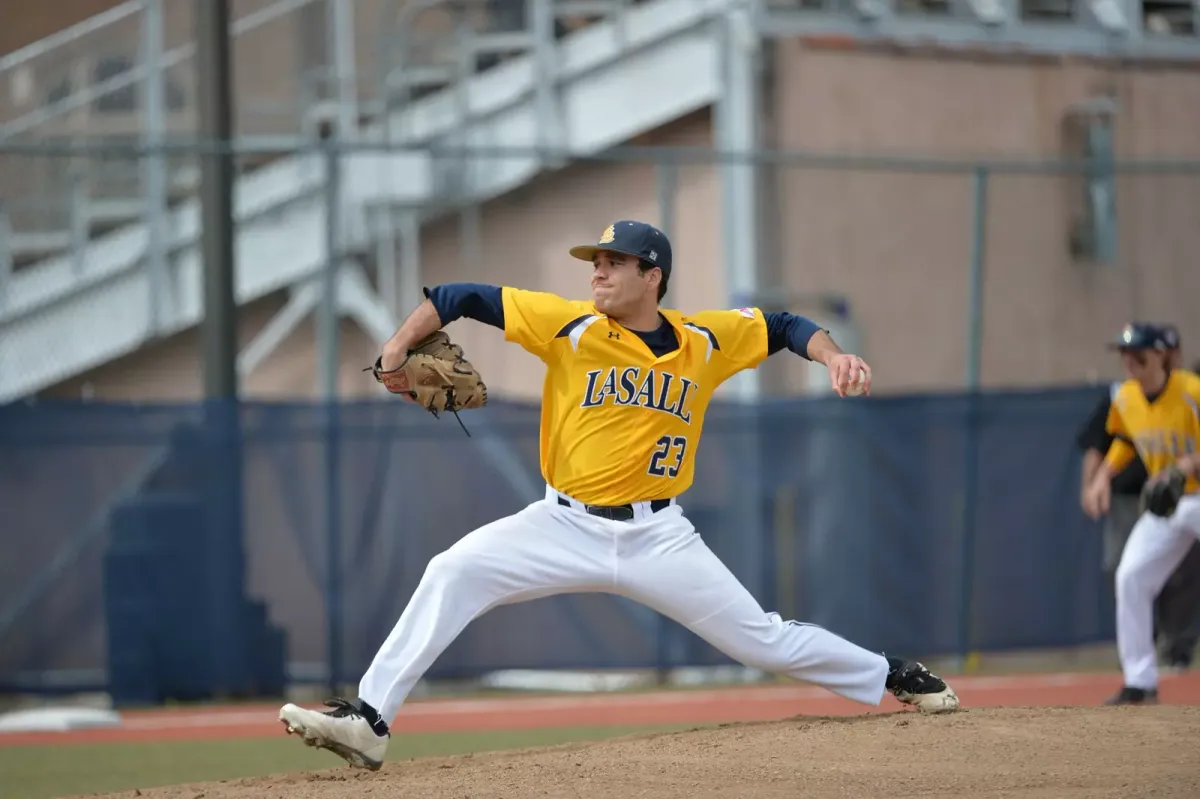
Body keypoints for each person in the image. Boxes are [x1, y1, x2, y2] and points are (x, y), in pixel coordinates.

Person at [278, 220, 960, 769]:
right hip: (559, 523)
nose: (597, 272)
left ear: (651, 275)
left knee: (764, 641)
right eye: (595, 262)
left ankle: (889, 674)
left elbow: (783, 326)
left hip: (659, 537)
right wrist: (397, 347)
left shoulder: (703, 340)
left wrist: (832, 354)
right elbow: (459, 296)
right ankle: (369, 720)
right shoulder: (569, 326)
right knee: (451, 570)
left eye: (613, 261)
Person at [1083, 322, 1200, 705]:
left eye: (1139, 354)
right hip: (1167, 505)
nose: (1129, 361)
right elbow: (1126, 440)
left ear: (1161, 356)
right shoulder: (1127, 397)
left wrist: (1189, 464)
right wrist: (1103, 476)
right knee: (1131, 575)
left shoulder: (1191, 391)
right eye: (1124, 354)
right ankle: (1140, 680)